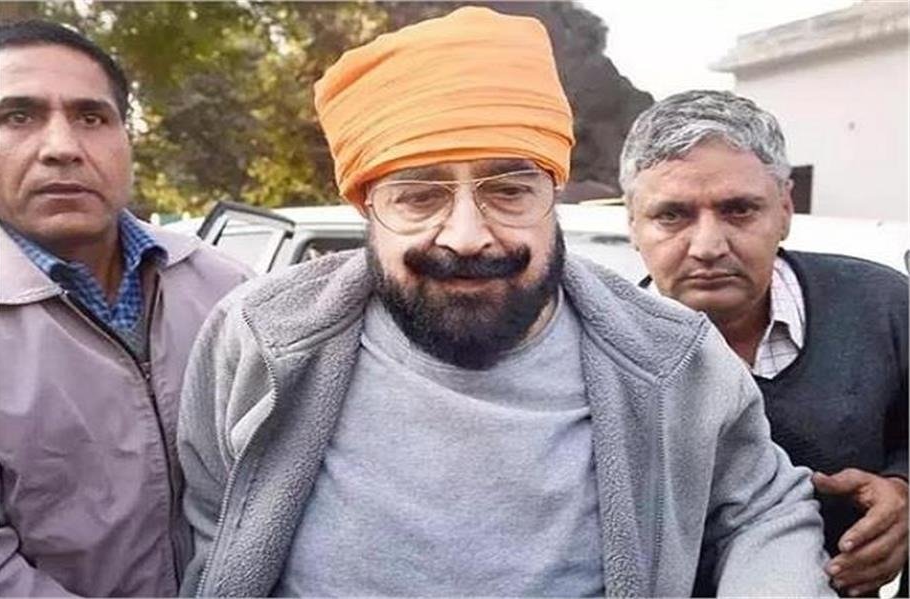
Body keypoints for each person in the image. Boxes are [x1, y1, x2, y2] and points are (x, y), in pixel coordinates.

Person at [178, 9, 831, 597]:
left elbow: (763, 509)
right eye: (419, 196)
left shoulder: (671, 358)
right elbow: (208, 522)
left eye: (509, 191)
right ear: (366, 209)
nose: (467, 236)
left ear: (553, 195)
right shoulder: (262, 338)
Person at [0, 20, 251, 596]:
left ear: (125, 140)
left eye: (91, 117)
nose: (62, 148)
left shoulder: (228, 290)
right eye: (17, 116)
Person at [621, 89, 908, 597]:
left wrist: (903, 493)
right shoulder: (598, 355)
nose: (708, 246)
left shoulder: (882, 305)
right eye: (672, 215)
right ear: (632, 224)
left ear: (785, 210)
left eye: (739, 210)